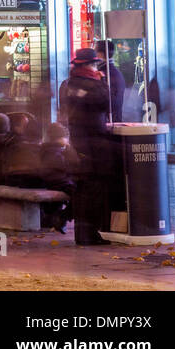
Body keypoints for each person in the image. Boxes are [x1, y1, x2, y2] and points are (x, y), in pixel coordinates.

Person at [59, 48, 115, 245]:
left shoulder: (68, 84)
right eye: (93, 64)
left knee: (84, 186)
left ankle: (78, 228)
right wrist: (101, 81)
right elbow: (106, 102)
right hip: (93, 142)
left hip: (79, 140)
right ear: (87, 65)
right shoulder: (93, 83)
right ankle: (88, 233)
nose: (96, 67)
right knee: (93, 187)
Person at [39, 123, 80, 233]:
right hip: (59, 182)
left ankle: (60, 217)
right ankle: (63, 216)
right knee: (81, 194)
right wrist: (69, 149)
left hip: (53, 181)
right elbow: (70, 166)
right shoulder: (55, 151)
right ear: (62, 138)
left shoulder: (48, 148)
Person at [95, 39, 125, 123]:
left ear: (100, 54)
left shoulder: (105, 74)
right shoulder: (114, 72)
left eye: (95, 51)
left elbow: (109, 103)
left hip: (108, 124)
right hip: (111, 122)